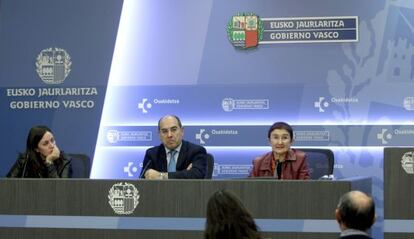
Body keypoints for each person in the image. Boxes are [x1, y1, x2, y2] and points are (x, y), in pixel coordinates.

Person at [141, 115, 208, 179]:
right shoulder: (152, 154)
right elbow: (144, 179)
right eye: (164, 131)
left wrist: (161, 176)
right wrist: (185, 174)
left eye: (174, 129)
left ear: (182, 131)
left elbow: (197, 175)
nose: (169, 135)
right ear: (159, 135)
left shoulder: (196, 151)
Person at [7, 125, 72, 178]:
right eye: (45, 143)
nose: (52, 145)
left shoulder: (64, 160)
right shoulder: (25, 160)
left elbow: (61, 189)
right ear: (36, 149)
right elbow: (7, 185)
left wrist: (49, 162)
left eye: (52, 140)